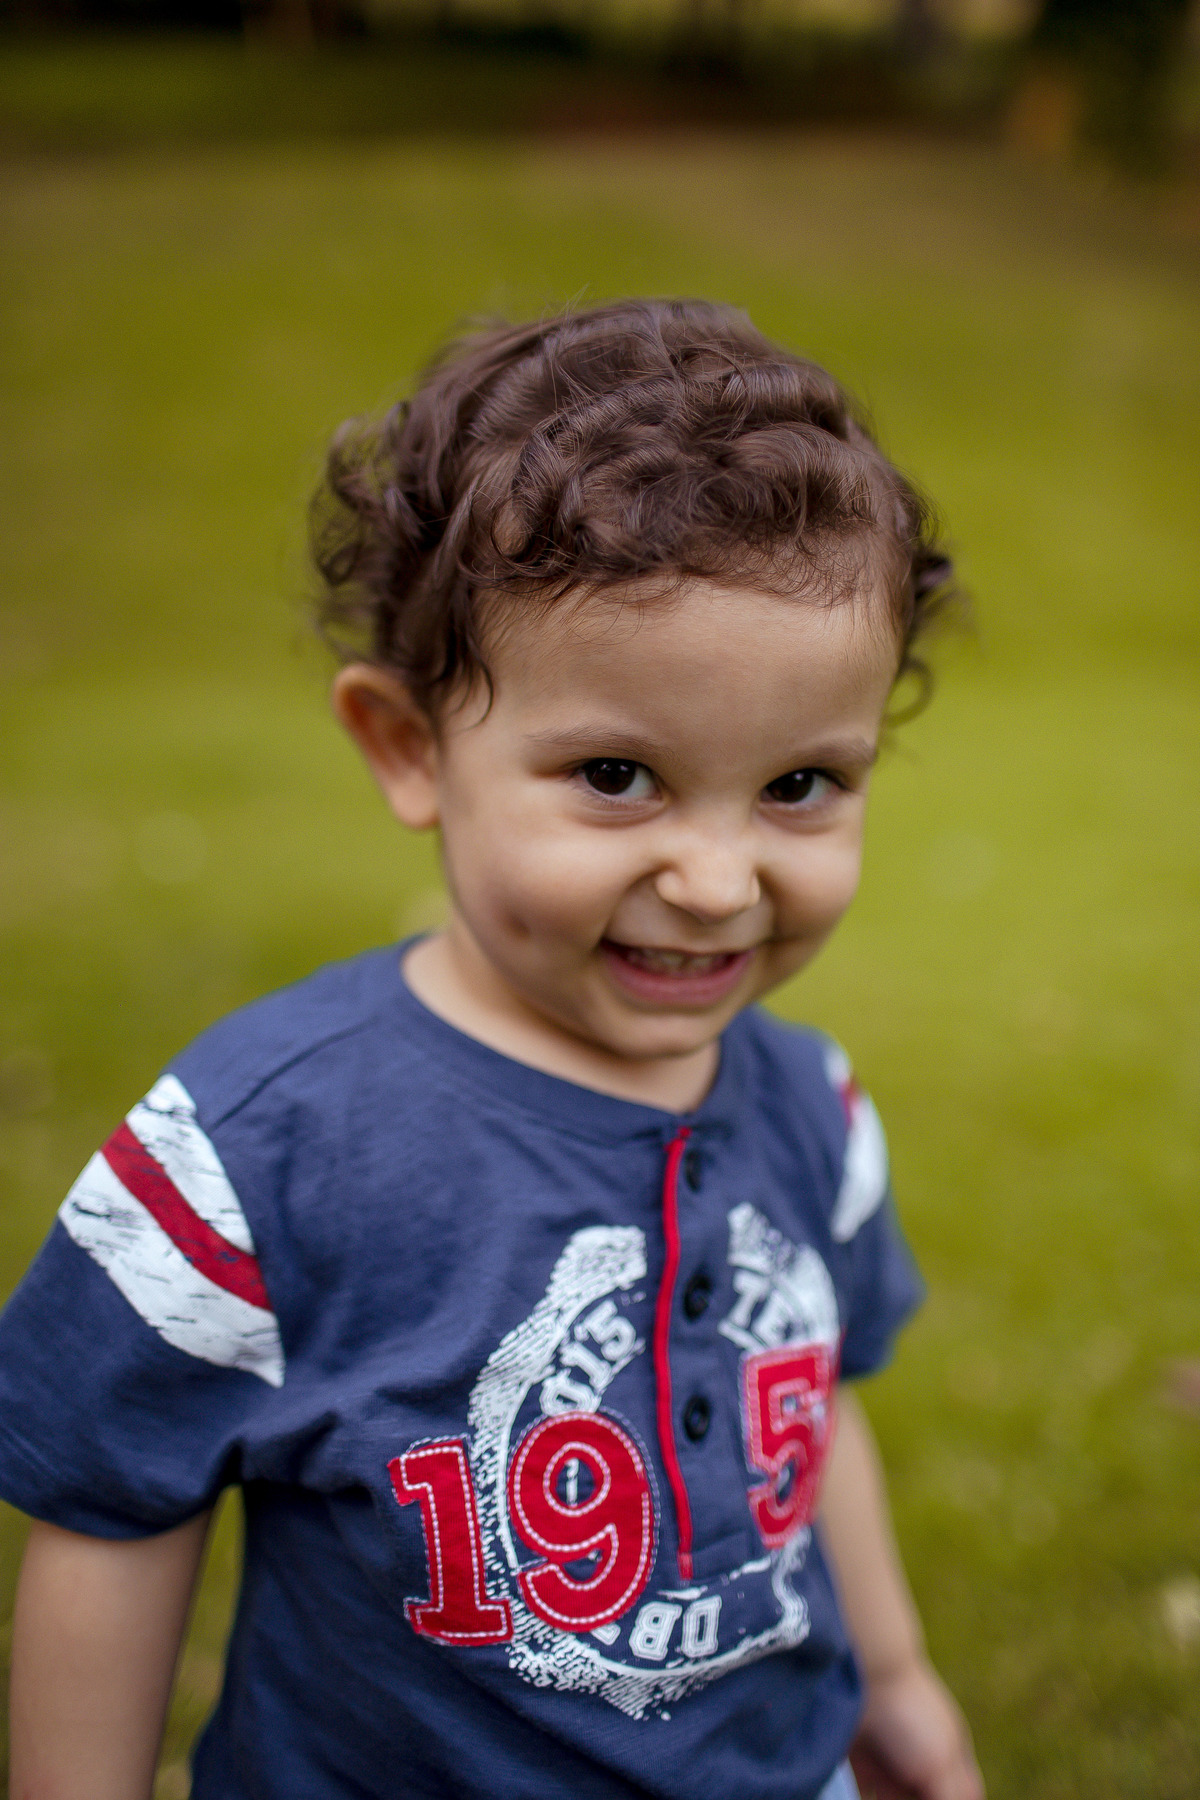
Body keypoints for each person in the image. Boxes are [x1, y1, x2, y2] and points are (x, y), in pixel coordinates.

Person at [1, 300, 984, 1800]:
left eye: (799, 784)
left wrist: (897, 1678)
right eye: (616, 776)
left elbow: (813, 1395)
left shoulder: (815, 1108)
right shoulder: (258, 1149)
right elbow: (110, 1517)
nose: (719, 880)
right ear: (410, 749)